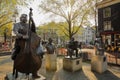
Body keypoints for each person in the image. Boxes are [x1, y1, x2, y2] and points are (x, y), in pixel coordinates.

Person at [11, 14, 40, 78]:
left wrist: (32, 21)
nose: (25, 18)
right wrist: (23, 36)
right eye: (23, 17)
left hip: (29, 42)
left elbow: (33, 30)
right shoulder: (17, 24)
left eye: (26, 17)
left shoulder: (28, 25)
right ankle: (15, 61)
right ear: (20, 18)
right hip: (20, 41)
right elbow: (15, 32)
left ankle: (34, 72)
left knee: (38, 52)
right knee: (15, 53)